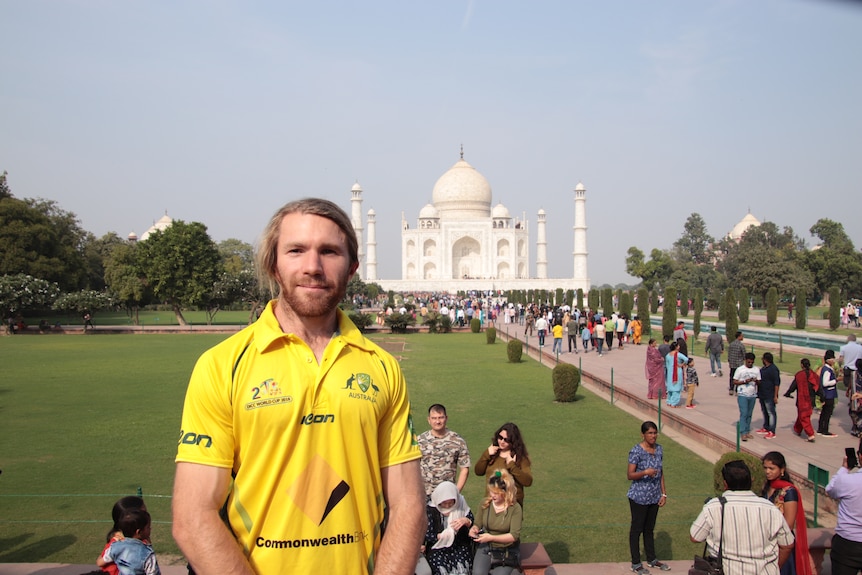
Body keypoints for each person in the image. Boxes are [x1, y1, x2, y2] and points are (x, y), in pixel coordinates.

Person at [172, 198, 425, 575]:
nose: (312, 266)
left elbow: (408, 504)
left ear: (352, 266)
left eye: (329, 251)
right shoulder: (222, 366)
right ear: (273, 264)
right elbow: (193, 516)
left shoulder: (381, 367)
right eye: (296, 250)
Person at [690, 460, 794, 575]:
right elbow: (787, 545)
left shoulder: (714, 507)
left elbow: (695, 537)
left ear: (725, 484)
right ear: (751, 481)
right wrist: (775, 567)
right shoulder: (770, 508)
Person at [626, 421, 670, 575]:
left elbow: (661, 472)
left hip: (653, 496)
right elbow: (630, 475)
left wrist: (663, 493)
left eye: (655, 433)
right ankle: (636, 563)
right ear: (643, 434)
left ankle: (652, 559)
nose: (653, 436)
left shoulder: (659, 450)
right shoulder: (636, 451)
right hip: (639, 497)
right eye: (650, 433)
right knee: (637, 529)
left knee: (649, 529)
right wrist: (645, 472)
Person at [761, 452, 813, 575]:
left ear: (782, 469)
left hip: (782, 543)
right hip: (766, 542)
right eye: (765, 468)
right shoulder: (767, 487)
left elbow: (788, 525)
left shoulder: (788, 492)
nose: (768, 472)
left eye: (771, 468)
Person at [469, 470, 523, 575]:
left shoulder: (515, 508)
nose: (492, 495)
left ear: (505, 492)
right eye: (491, 492)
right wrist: (474, 529)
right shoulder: (485, 503)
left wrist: (492, 537)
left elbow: (514, 536)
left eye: (496, 493)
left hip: (506, 550)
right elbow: (477, 523)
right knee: (478, 573)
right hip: (486, 546)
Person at [416, 481, 475, 575]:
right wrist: (440, 536)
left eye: (451, 503)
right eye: (444, 503)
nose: (447, 506)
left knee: (462, 567)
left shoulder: (461, 504)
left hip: (459, 545)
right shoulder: (431, 509)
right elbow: (427, 534)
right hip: (438, 547)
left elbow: (473, 523)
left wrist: (466, 521)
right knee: (441, 567)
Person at [825, 437, 862, 575]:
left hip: (847, 543)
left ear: (860, 456)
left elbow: (830, 489)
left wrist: (844, 469)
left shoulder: (847, 480)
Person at [419, 404, 471, 498]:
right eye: (434, 418)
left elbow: (465, 469)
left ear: (446, 418)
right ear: (429, 420)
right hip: (424, 496)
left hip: (447, 497)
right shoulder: (420, 441)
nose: (437, 421)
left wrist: (456, 493)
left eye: (440, 417)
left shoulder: (457, 441)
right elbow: (411, 468)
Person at [474, 423, 532, 506]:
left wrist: (512, 466)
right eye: (500, 438)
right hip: (490, 503)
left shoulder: (520, 458)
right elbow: (478, 471)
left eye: (506, 440)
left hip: (511, 506)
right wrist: (486, 454)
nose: (502, 441)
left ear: (513, 441)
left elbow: (528, 481)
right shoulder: (492, 453)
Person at [97, 509, 161, 575]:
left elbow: (100, 562)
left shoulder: (115, 546)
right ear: (138, 532)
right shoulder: (147, 553)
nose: (150, 529)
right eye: (148, 527)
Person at [99, 496, 147, 575]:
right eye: (144, 513)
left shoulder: (138, 537)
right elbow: (100, 562)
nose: (147, 517)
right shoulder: (118, 543)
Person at [784, 358, 819, 443]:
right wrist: (822, 397)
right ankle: (797, 429)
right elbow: (819, 387)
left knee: (804, 416)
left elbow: (794, 385)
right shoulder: (814, 375)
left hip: (802, 400)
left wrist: (788, 393)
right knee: (803, 415)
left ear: (802, 365)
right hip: (811, 399)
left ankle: (810, 434)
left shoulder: (799, 375)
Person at [733, 352, 760, 441]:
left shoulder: (756, 370)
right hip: (742, 394)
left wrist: (756, 381)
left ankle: (747, 431)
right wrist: (744, 381)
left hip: (752, 395)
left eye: (752, 362)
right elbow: (735, 381)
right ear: (745, 360)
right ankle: (743, 432)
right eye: (748, 362)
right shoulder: (740, 369)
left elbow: (760, 382)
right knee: (744, 413)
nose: (750, 364)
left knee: (749, 414)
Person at [757, 352, 781, 439]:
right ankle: (766, 427)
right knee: (765, 411)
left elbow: (777, 383)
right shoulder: (763, 369)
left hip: (770, 395)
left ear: (765, 360)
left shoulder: (774, 369)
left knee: (771, 412)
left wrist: (775, 396)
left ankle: (772, 431)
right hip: (762, 394)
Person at [817, 350, 838, 438]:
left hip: (828, 394)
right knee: (827, 413)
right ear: (828, 360)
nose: (834, 361)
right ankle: (825, 430)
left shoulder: (828, 369)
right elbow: (825, 383)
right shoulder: (827, 370)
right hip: (828, 394)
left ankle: (820, 429)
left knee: (824, 412)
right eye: (832, 359)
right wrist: (835, 381)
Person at [664, 342, 687, 408]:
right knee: (676, 389)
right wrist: (681, 365)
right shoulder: (678, 355)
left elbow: (667, 365)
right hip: (677, 372)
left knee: (670, 388)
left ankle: (669, 401)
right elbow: (686, 359)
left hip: (670, 373)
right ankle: (673, 403)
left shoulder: (668, 355)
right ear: (676, 347)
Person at [851, 359, 862, 438]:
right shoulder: (855, 374)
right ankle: (857, 429)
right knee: (856, 413)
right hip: (857, 397)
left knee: (855, 413)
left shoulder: (854, 373)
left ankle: (857, 429)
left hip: (856, 397)